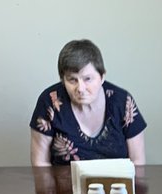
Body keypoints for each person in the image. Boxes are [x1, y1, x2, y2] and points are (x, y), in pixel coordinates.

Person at [30, 39, 147, 168]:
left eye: (88, 79)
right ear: (63, 80)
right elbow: (40, 163)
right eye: (72, 80)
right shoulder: (49, 102)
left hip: (117, 181)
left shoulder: (123, 102)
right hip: (63, 181)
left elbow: (138, 162)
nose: (80, 88)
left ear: (102, 77)